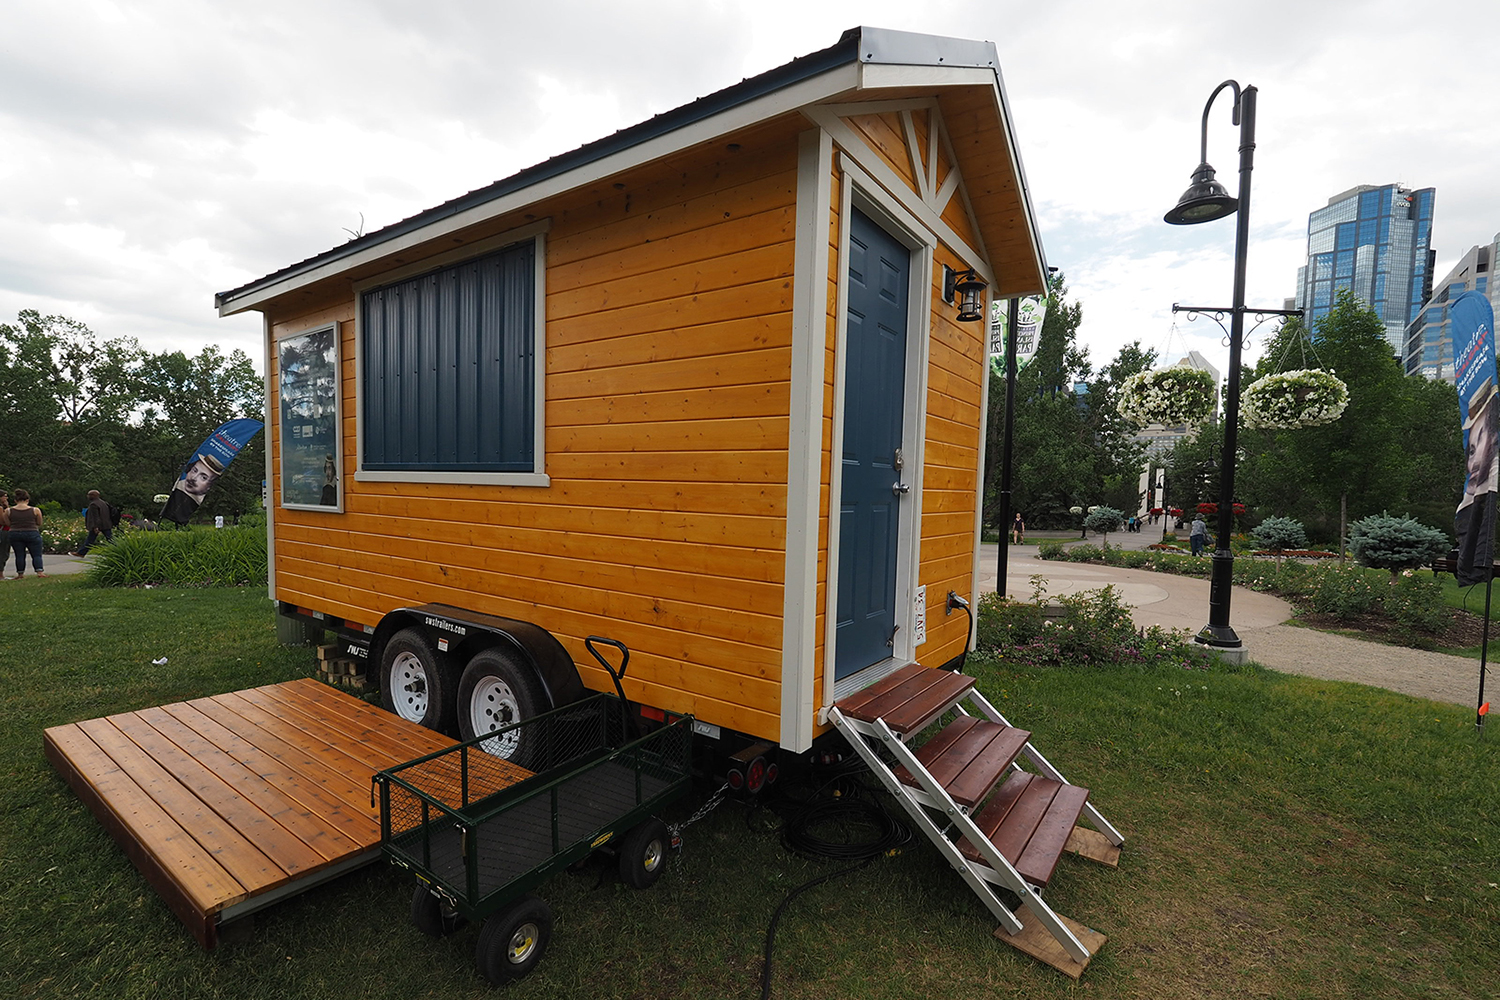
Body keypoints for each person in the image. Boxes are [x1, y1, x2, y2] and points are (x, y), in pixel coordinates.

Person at [2, 489, 46, 578]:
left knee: (19, 555)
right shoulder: (35, 510)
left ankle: (20, 573)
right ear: (27, 500)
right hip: (32, 532)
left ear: (15, 500)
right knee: (36, 554)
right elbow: (39, 523)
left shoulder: (9, 511)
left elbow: (8, 523)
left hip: (15, 533)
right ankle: (39, 572)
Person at [78, 489, 113, 556]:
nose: (87, 496)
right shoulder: (104, 503)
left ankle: (81, 553)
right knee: (110, 539)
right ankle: (81, 553)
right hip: (106, 524)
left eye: (89, 495)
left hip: (98, 525)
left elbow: (95, 517)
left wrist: (96, 527)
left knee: (90, 540)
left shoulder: (93, 504)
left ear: (93, 495)